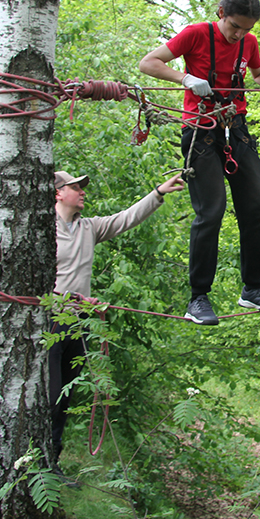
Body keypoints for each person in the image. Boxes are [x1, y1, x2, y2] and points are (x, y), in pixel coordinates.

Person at [138, 0, 260, 326]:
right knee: (212, 211)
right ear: (221, 13)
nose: (239, 35)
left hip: (236, 130)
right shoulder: (195, 35)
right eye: (235, 26)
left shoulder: (248, 43)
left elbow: (257, 73)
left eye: (246, 29)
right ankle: (198, 298)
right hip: (201, 132)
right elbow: (148, 63)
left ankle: (253, 288)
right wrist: (185, 78)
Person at [49, 169, 184, 472]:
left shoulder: (89, 228)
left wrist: (158, 193)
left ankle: (52, 462)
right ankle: (39, 461)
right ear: (58, 193)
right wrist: (68, 298)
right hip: (51, 323)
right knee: (51, 395)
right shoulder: (42, 231)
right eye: (75, 187)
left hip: (79, 324)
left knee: (66, 394)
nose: (82, 192)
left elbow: (126, 218)